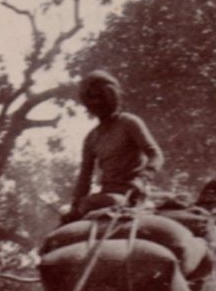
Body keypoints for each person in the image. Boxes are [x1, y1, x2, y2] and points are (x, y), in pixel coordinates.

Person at [69, 70, 165, 218]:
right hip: (104, 196)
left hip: (131, 195)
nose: (97, 102)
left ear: (112, 97)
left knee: (97, 203)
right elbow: (84, 177)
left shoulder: (129, 123)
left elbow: (155, 154)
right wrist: (75, 205)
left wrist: (142, 178)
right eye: (92, 99)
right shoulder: (91, 137)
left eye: (101, 97)